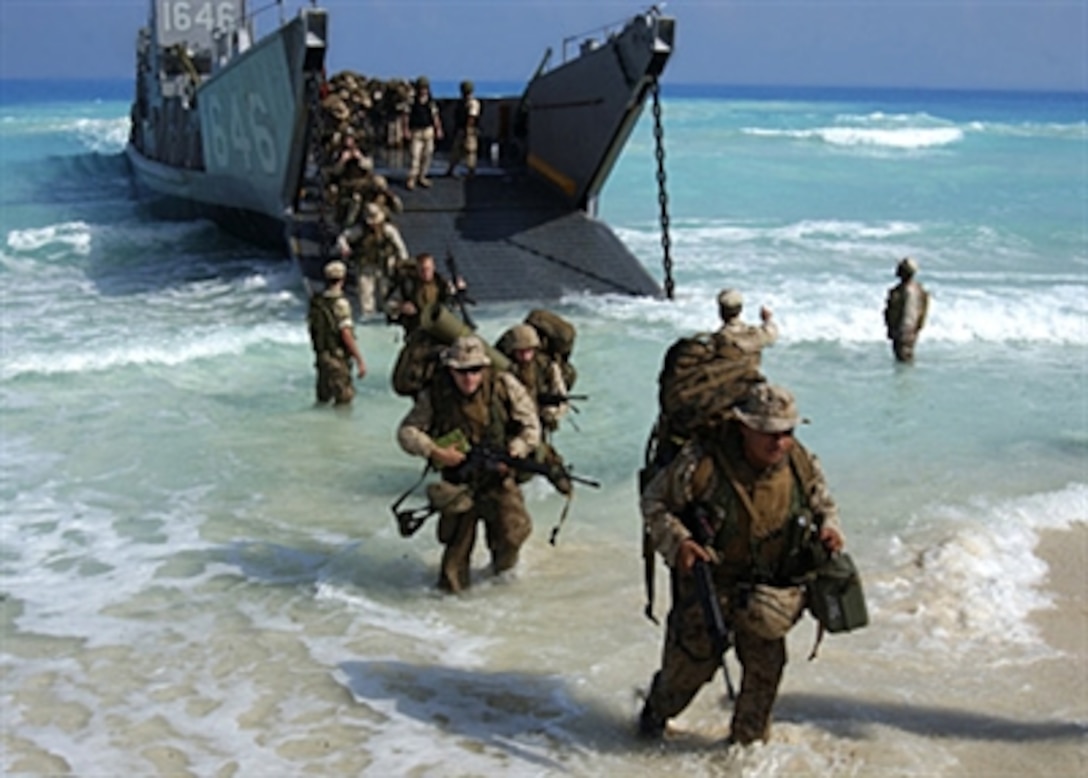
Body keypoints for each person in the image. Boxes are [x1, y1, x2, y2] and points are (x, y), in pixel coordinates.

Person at [638, 383, 846, 745]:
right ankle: (651, 719)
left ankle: (743, 755)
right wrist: (681, 542)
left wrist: (830, 530)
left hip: (767, 591)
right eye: (768, 434)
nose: (779, 443)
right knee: (685, 675)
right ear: (744, 427)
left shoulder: (799, 462)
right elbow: (654, 502)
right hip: (709, 587)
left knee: (765, 675)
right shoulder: (701, 462)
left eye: (787, 433)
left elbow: (824, 504)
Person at [397, 335, 541, 592]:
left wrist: (517, 448)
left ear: (485, 368)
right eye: (461, 371)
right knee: (453, 567)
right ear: (451, 369)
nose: (469, 378)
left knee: (511, 537)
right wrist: (436, 451)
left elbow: (531, 426)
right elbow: (406, 432)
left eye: (475, 370)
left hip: (497, 476)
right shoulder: (436, 394)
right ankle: (447, 618)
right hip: (458, 481)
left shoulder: (503, 386)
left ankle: (501, 598)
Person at [307, 260, 367, 406]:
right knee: (344, 403)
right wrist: (359, 360)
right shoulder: (340, 304)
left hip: (322, 357)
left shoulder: (318, 302)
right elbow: (345, 333)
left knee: (322, 401)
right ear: (343, 278)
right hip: (337, 359)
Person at [337, 202, 409, 317]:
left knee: (386, 296)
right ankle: (368, 319)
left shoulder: (388, 230)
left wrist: (403, 264)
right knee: (366, 296)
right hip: (365, 267)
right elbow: (343, 238)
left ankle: (389, 317)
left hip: (385, 267)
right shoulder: (360, 230)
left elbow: (401, 247)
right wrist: (345, 248)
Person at [883, 257, 930, 363]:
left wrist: (891, 328)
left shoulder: (898, 292)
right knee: (908, 358)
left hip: (901, 331)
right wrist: (917, 328)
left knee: (902, 359)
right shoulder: (920, 290)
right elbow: (923, 312)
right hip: (912, 331)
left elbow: (892, 312)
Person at [714, 288, 778, 362]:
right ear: (741, 310)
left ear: (721, 312)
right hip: (751, 373)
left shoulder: (718, 340)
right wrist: (767, 320)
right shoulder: (757, 334)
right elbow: (772, 335)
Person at [403, 75, 443, 190]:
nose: (423, 90)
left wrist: (438, 129)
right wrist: (406, 130)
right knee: (415, 156)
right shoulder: (411, 100)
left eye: (425, 88)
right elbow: (406, 116)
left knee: (427, 155)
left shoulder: (430, 101)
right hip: (416, 131)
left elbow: (435, 116)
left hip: (428, 130)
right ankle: (412, 178)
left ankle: (422, 176)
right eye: (421, 88)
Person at [445, 80, 481, 178]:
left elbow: (472, 117)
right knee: (457, 150)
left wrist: (468, 129)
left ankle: (471, 171)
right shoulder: (463, 102)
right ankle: (451, 169)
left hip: (468, 129)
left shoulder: (471, 102)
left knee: (470, 151)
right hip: (461, 128)